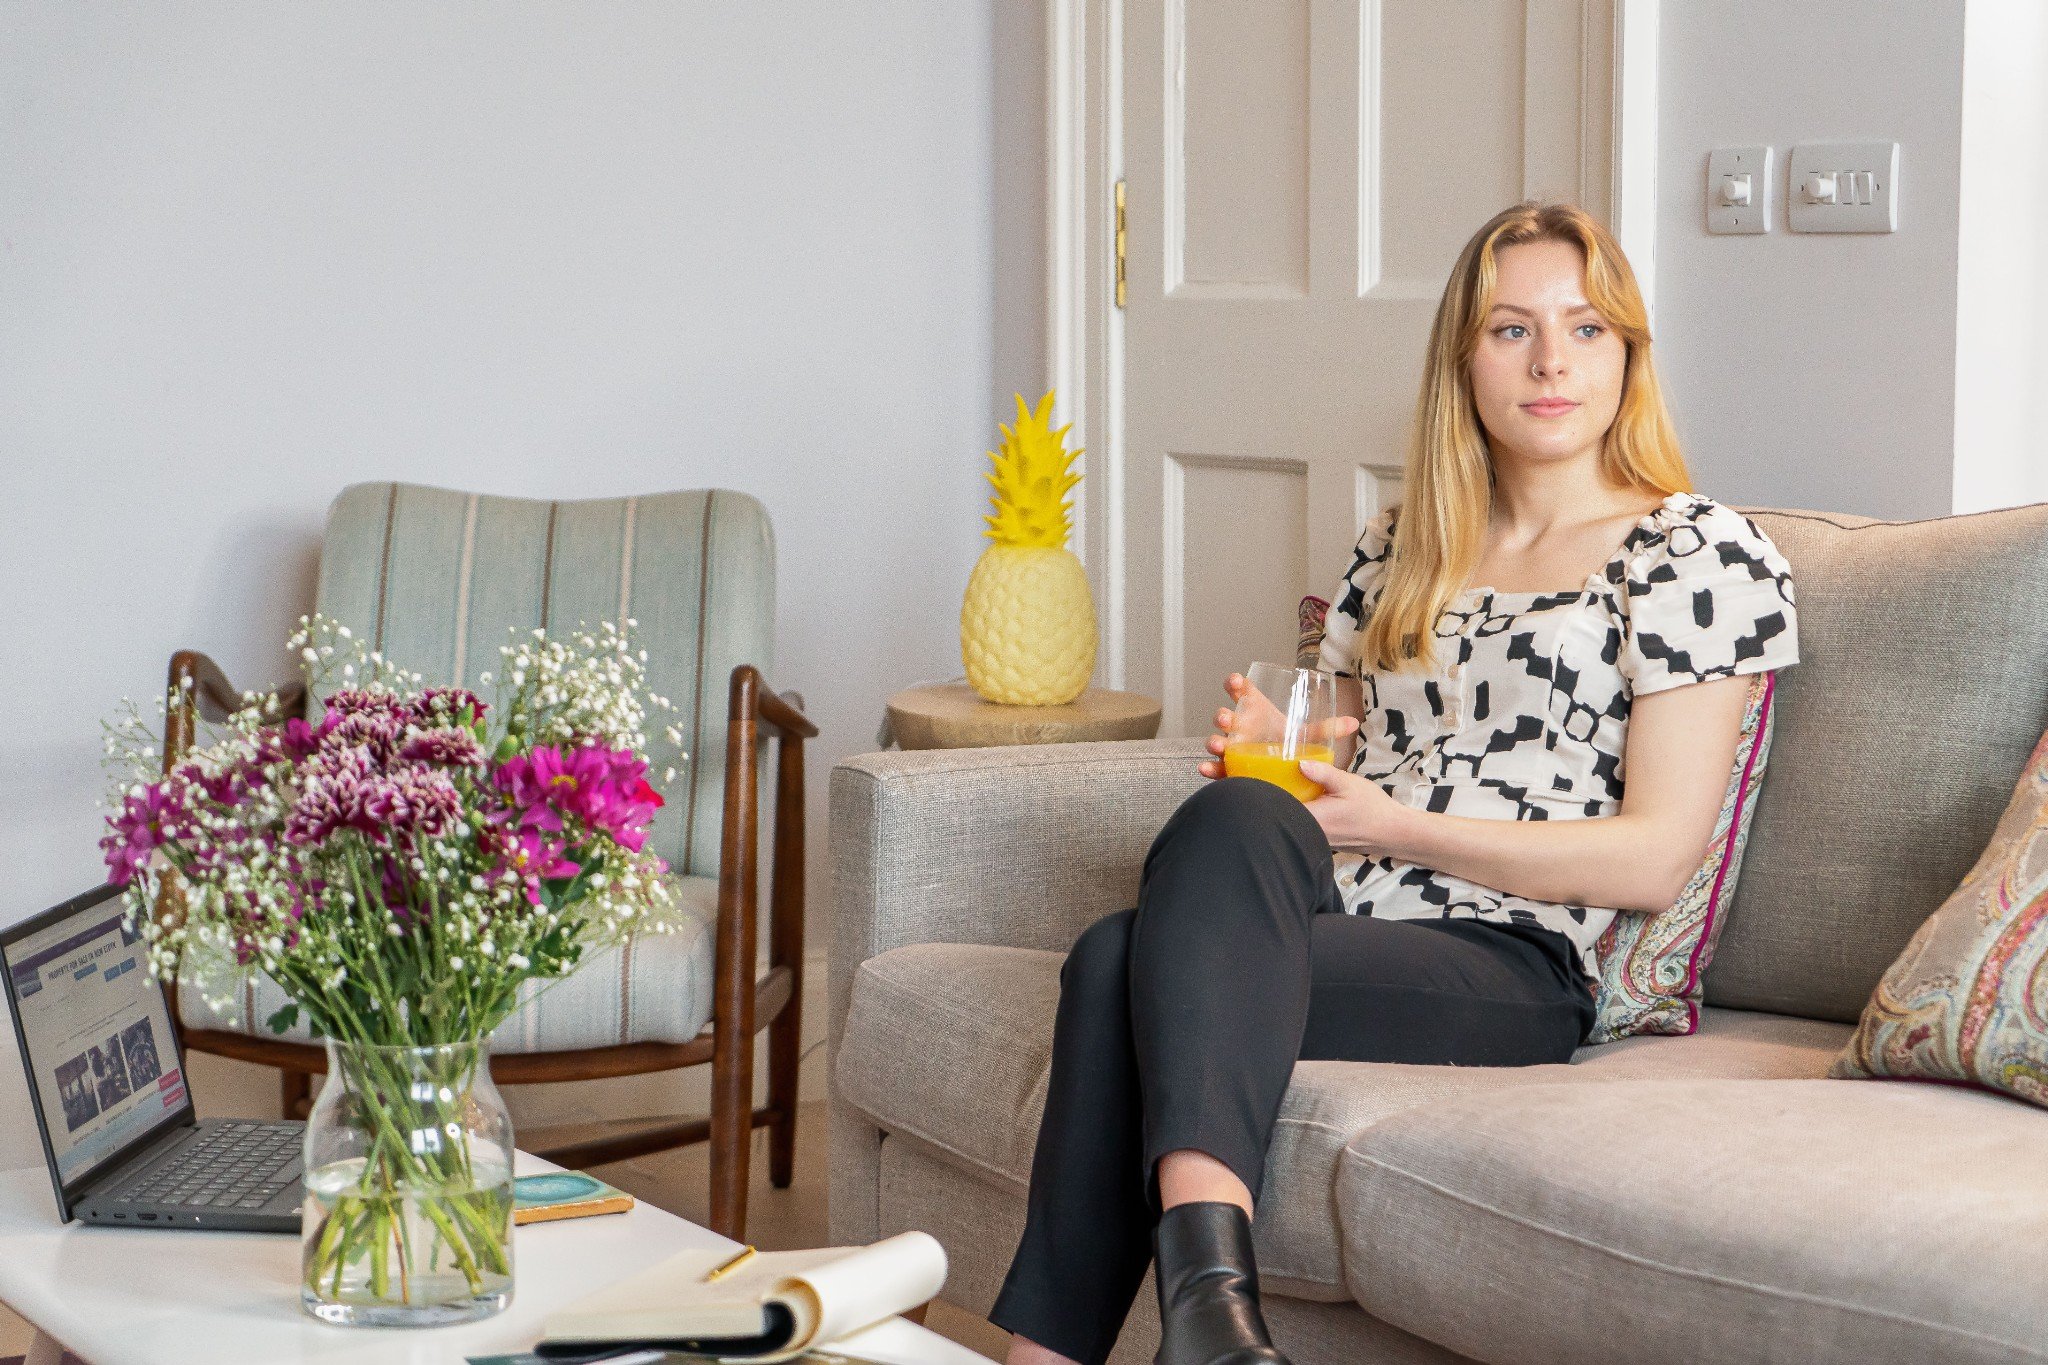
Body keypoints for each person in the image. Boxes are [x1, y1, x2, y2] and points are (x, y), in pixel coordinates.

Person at [986, 201, 1801, 1365]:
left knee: (1119, 957)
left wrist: (1395, 825)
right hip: (1341, 912)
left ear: (1627, 353)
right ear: (1460, 362)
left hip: (1517, 963)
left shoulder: (1692, 554)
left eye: (1584, 329)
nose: (1551, 361)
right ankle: (1204, 1318)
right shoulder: (1401, 544)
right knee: (1230, 818)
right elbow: (1357, 761)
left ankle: (1144, 1331)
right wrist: (1294, 751)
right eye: (1510, 330)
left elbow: (1652, 854)